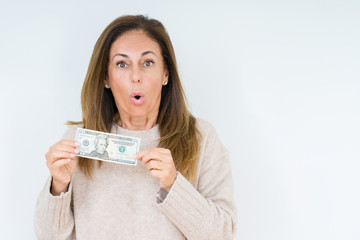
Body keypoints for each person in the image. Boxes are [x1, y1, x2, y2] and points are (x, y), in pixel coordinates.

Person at [34, 15, 237, 240]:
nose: (135, 76)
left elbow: (223, 235)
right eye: (122, 64)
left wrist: (174, 185)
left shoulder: (201, 138)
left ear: (166, 73)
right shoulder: (79, 141)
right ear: (105, 78)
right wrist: (58, 186)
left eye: (147, 62)